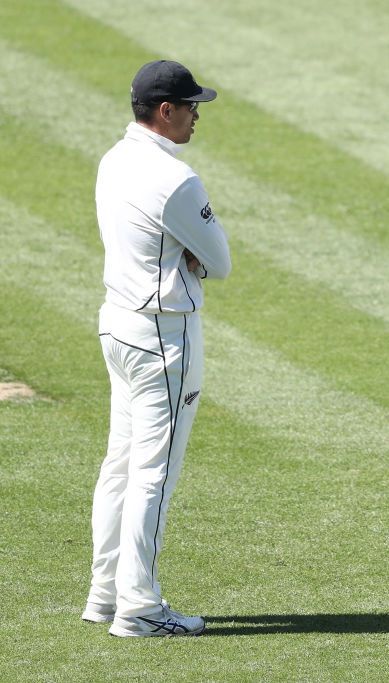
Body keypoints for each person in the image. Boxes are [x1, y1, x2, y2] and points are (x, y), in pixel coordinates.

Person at [81, 60, 230, 637]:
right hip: (163, 337)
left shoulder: (113, 159)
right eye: (192, 107)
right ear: (165, 112)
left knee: (120, 465)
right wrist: (189, 252)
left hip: (117, 325)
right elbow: (219, 261)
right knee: (153, 472)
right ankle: (139, 608)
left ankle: (104, 595)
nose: (197, 117)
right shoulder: (176, 179)